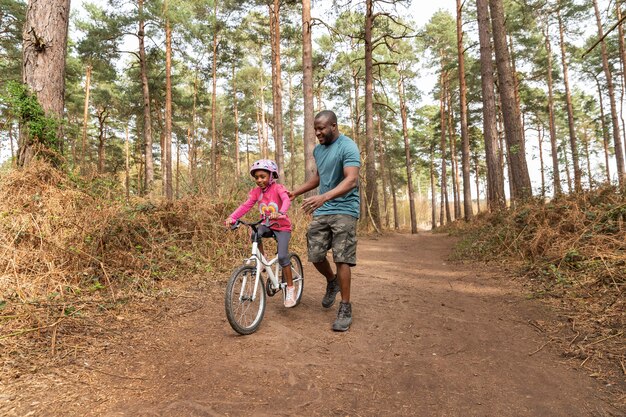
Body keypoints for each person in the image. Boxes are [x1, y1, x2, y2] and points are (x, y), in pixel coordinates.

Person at [288, 110, 360, 331]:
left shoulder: (348, 146)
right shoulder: (318, 150)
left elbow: (352, 179)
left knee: (342, 258)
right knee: (316, 255)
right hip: (322, 209)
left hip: (345, 209)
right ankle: (332, 281)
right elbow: (319, 178)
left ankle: (345, 307)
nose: (317, 133)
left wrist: (324, 196)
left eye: (321, 129)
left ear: (334, 126)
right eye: (315, 129)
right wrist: (294, 192)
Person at [226, 159, 297, 308]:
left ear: (271, 176)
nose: (259, 180)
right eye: (257, 177)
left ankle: (290, 288)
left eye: (262, 176)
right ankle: (263, 259)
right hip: (267, 225)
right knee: (255, 233)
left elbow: (286, 200)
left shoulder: (278, 188)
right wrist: (233, 217)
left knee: (283, 256)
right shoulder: (256, 192)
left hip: (282, 226)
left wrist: (281, 212)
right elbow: (246, 206)